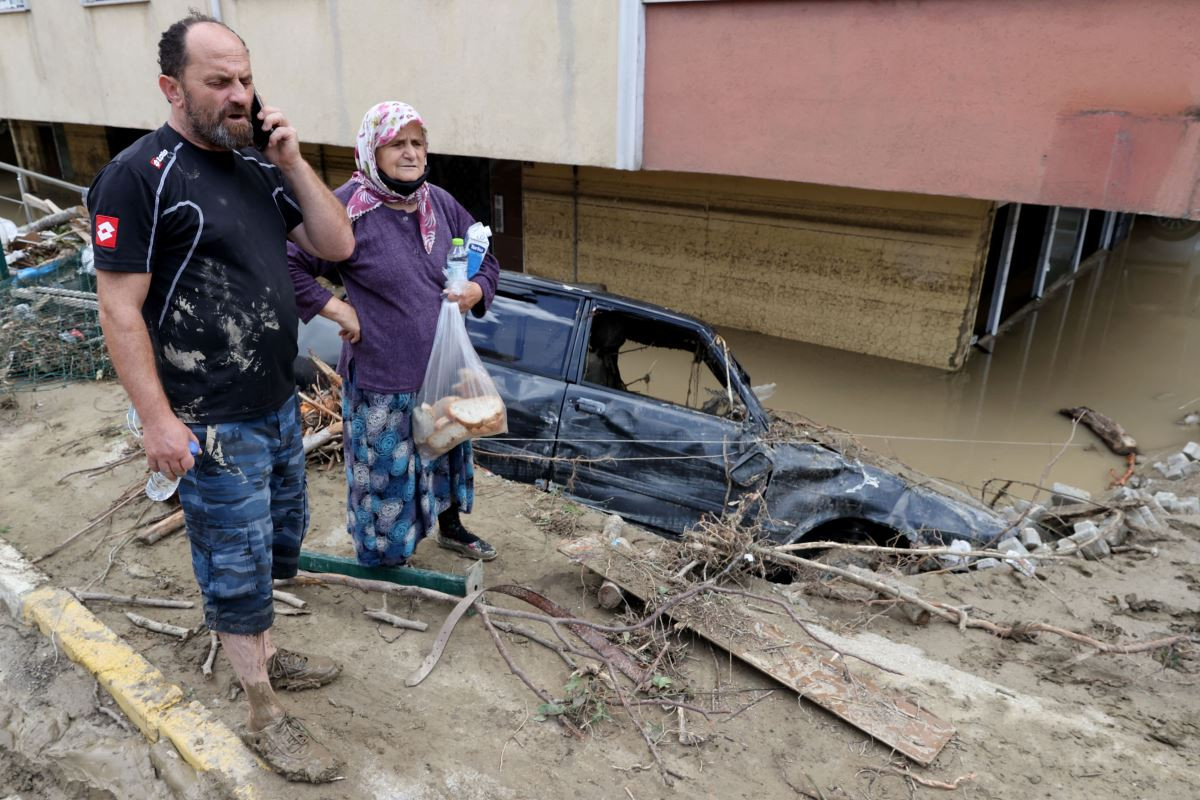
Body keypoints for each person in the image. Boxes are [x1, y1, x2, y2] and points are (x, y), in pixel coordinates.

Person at [90, 13, 355, 784]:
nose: (239, 95)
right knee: (234, 566)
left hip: (277, 405)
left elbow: (336, 246)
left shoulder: (258, 166)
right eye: (220, 82)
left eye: (245, 79)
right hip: (210, 420)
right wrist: (158, 421)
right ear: (173, 87)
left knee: (278, 545)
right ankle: (263, 707)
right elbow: (119, 309)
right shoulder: (139, 176)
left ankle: (265, 652)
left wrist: (293, 160)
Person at [288, 101, 501, 569]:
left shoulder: (438, 203)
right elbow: (289, 263)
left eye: (418, 143)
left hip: (443, 370)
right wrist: (339, 309)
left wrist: (475, 288)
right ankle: (385, 558)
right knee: (385, 476)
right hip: (383, 379)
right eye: (397, 143)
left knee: (445, 452)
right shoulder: (346, 206)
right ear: (371, 149)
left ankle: (450, 528)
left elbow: (485, 254)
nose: (410, 153)